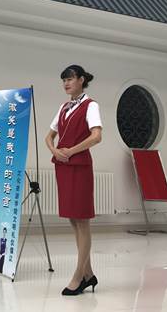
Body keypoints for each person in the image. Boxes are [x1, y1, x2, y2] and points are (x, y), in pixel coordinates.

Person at [45, 65, 102, 296]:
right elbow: (49, 136)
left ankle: (78, 276)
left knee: (82, 220)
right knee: (72, 219)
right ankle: (89, 274)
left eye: (70, 79)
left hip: (79, 167)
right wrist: (55, 151)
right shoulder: (64, 107)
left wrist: (71, 151)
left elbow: (96, 136)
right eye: (64, 80)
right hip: (63, 166)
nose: (66, 84)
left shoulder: (91, 105)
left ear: (81, 80)